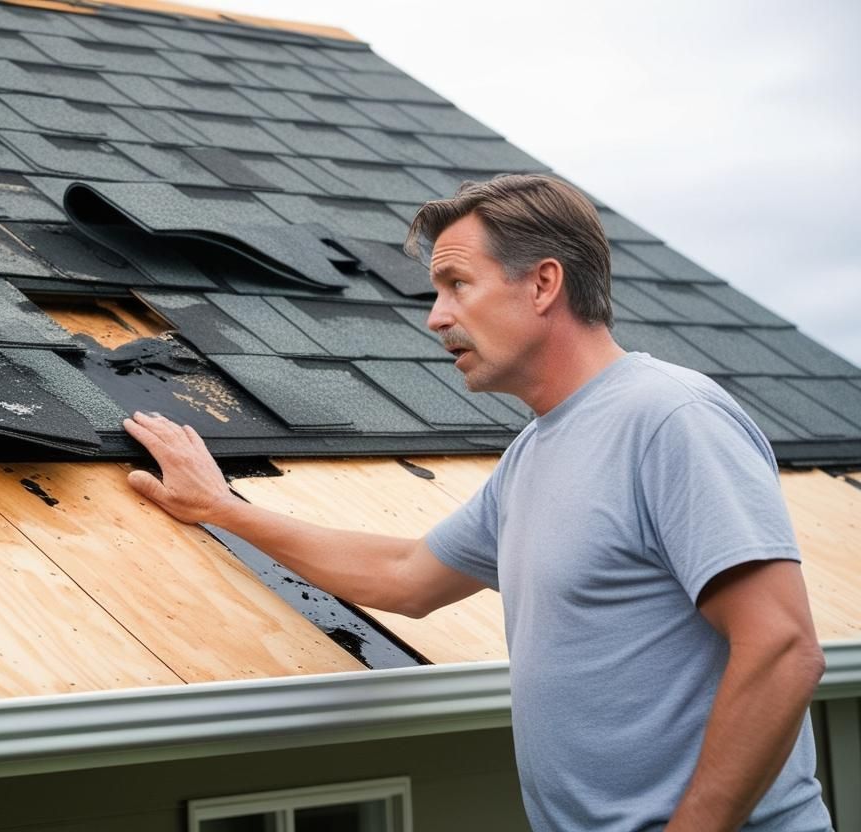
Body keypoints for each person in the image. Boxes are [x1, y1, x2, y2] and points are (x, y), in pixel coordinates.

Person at [121, 175, 831, 831]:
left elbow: (781, 646)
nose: (437, 318)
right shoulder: (536, 454)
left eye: (457, 284)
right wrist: (221, 507)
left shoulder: (670, 419)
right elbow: (404, 577)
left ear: (544, 284)